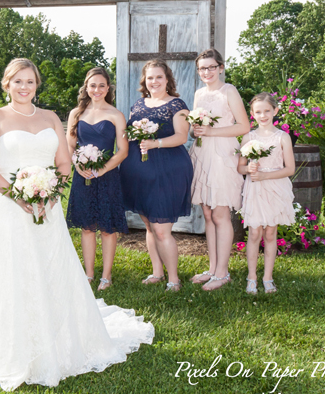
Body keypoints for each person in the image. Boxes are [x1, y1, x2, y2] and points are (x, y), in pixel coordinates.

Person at [0, 58, 154, 392]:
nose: (24, 87)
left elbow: (61, 162)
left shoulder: (50, 117)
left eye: (30, 82)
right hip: (10, 207)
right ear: (6, 84)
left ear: (36, 85)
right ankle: (19, 345)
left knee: (52, 266)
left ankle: (61, 336)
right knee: (15, 269)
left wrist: (51, 192)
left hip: (48, 204)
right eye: (18, 82)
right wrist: (17, 195)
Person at [119, 59, 193, 292]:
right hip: (140, 172)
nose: (154, 82)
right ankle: (157, 272)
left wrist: (155, 143)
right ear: (145, 81)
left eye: (159, 77)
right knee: (150, 226)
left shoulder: (177, 105)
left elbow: (182, 137)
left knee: (162, 228)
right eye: (150, 78)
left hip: (168, 170)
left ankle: (174, 279)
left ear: (167, 79)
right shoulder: (138, 105)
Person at [189, 48, 250, 291]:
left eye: (211, 67)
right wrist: (197, 130)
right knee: (208, 213)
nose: (207, 72)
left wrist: (211, 131)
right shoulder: (199, 93)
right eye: (202, 68)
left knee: (221, 214)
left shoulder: (229, 91)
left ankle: (223, 273)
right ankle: (213, 268)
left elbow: (244, 126)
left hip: (223, 155)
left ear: (221, 68)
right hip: (203, 154)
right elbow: (195, 128)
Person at [65, 67, 128, 291]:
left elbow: (122, 150)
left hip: (107, 177)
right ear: (86, 87)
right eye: (93, 85)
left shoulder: (115, 115)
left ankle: (106, 276)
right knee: (87, 227)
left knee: (108, 228)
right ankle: (89, 274)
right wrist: (78, 164)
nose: (97, 90)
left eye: (102, 85)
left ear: (108, 88)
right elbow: (69, 146)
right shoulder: (76, 113)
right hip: (83, 176)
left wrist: (102, 170)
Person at [237, 93, 295, 294]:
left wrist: (265, 176)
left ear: (275, 111)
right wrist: (250, 170)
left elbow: (290, 169)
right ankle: (251, 276)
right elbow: (240, 168)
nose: (263, 115)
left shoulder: (282, 137)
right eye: (258, 112)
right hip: (255, 189)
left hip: (275, 187)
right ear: (252, 114)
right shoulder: (249, 137)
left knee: (270, 233)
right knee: (254, 232)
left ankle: (268, 277)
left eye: (267, 111)